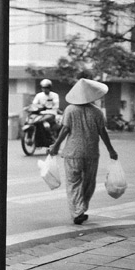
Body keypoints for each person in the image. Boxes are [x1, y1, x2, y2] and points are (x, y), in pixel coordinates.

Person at [49, 78, 118, 225]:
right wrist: (111, 150)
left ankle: (77, 211)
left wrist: (56, 146)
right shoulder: (97, 112)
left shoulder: (70, 110)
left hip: (72, 153)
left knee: (73, 183)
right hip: (91, 153)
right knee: (88, 183)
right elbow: (103, 132)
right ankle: (82, 208)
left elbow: (65, 129)